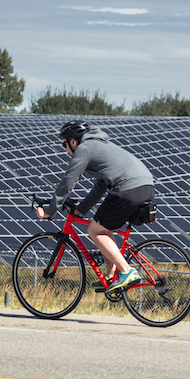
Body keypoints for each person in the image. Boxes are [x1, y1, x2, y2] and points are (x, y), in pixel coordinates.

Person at [36, 121, 155, 293]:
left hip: (128, 188)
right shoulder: (98, 146)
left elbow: (68, 181)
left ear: (73, 142)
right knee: (104, 229)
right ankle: (111, 276)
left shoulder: (84, 149)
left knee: (94, 231)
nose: (65, 149)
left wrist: (50, 210)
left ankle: (126, 271)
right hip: (145, 185)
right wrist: (80, 210)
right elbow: (100, 186)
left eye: (64, 145)